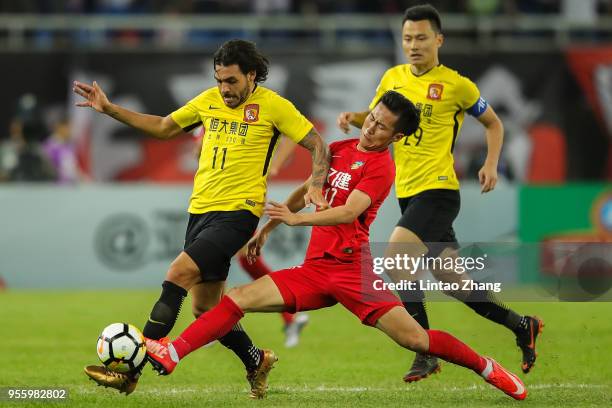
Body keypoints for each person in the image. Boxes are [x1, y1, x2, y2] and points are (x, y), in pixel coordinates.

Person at [143, 91, 527, 401]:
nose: (371, 128)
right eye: (372, 119)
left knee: (416, 339)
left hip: (352, 271)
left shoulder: (382, 168)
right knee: (238, 298)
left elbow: (348, 212)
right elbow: (303, 190)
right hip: (314, 272)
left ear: (396, 137)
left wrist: (296, 220)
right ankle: (173, 353)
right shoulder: (340, 148)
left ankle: (487, 367)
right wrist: (268, 230)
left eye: (381, 128)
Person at [75, 39, 330, 397]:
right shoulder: (208, 100)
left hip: (239, 212)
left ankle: (131, 372)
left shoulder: (274, 106)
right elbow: (164, 127)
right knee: (205, 308)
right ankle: (256, 360)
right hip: (200, 211)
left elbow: (318, 143)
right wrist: (109, 109)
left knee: (177, 273)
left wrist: (317, 183)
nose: (224, 89)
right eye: (219, 80)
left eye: (231, 81)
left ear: (251, 75)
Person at [336, 4, 542, 382]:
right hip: (408, 192)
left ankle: (424, 350)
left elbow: (494, 124)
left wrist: (491, 163)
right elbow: (379, 118)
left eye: (421, 38)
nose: (413, 45)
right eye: (407, 38)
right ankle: (521, 324)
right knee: (455, 284)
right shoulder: (392, 78)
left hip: (440, 191)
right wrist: (354, 117)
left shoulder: (456, 85)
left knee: (397, 258)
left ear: (439, 40)